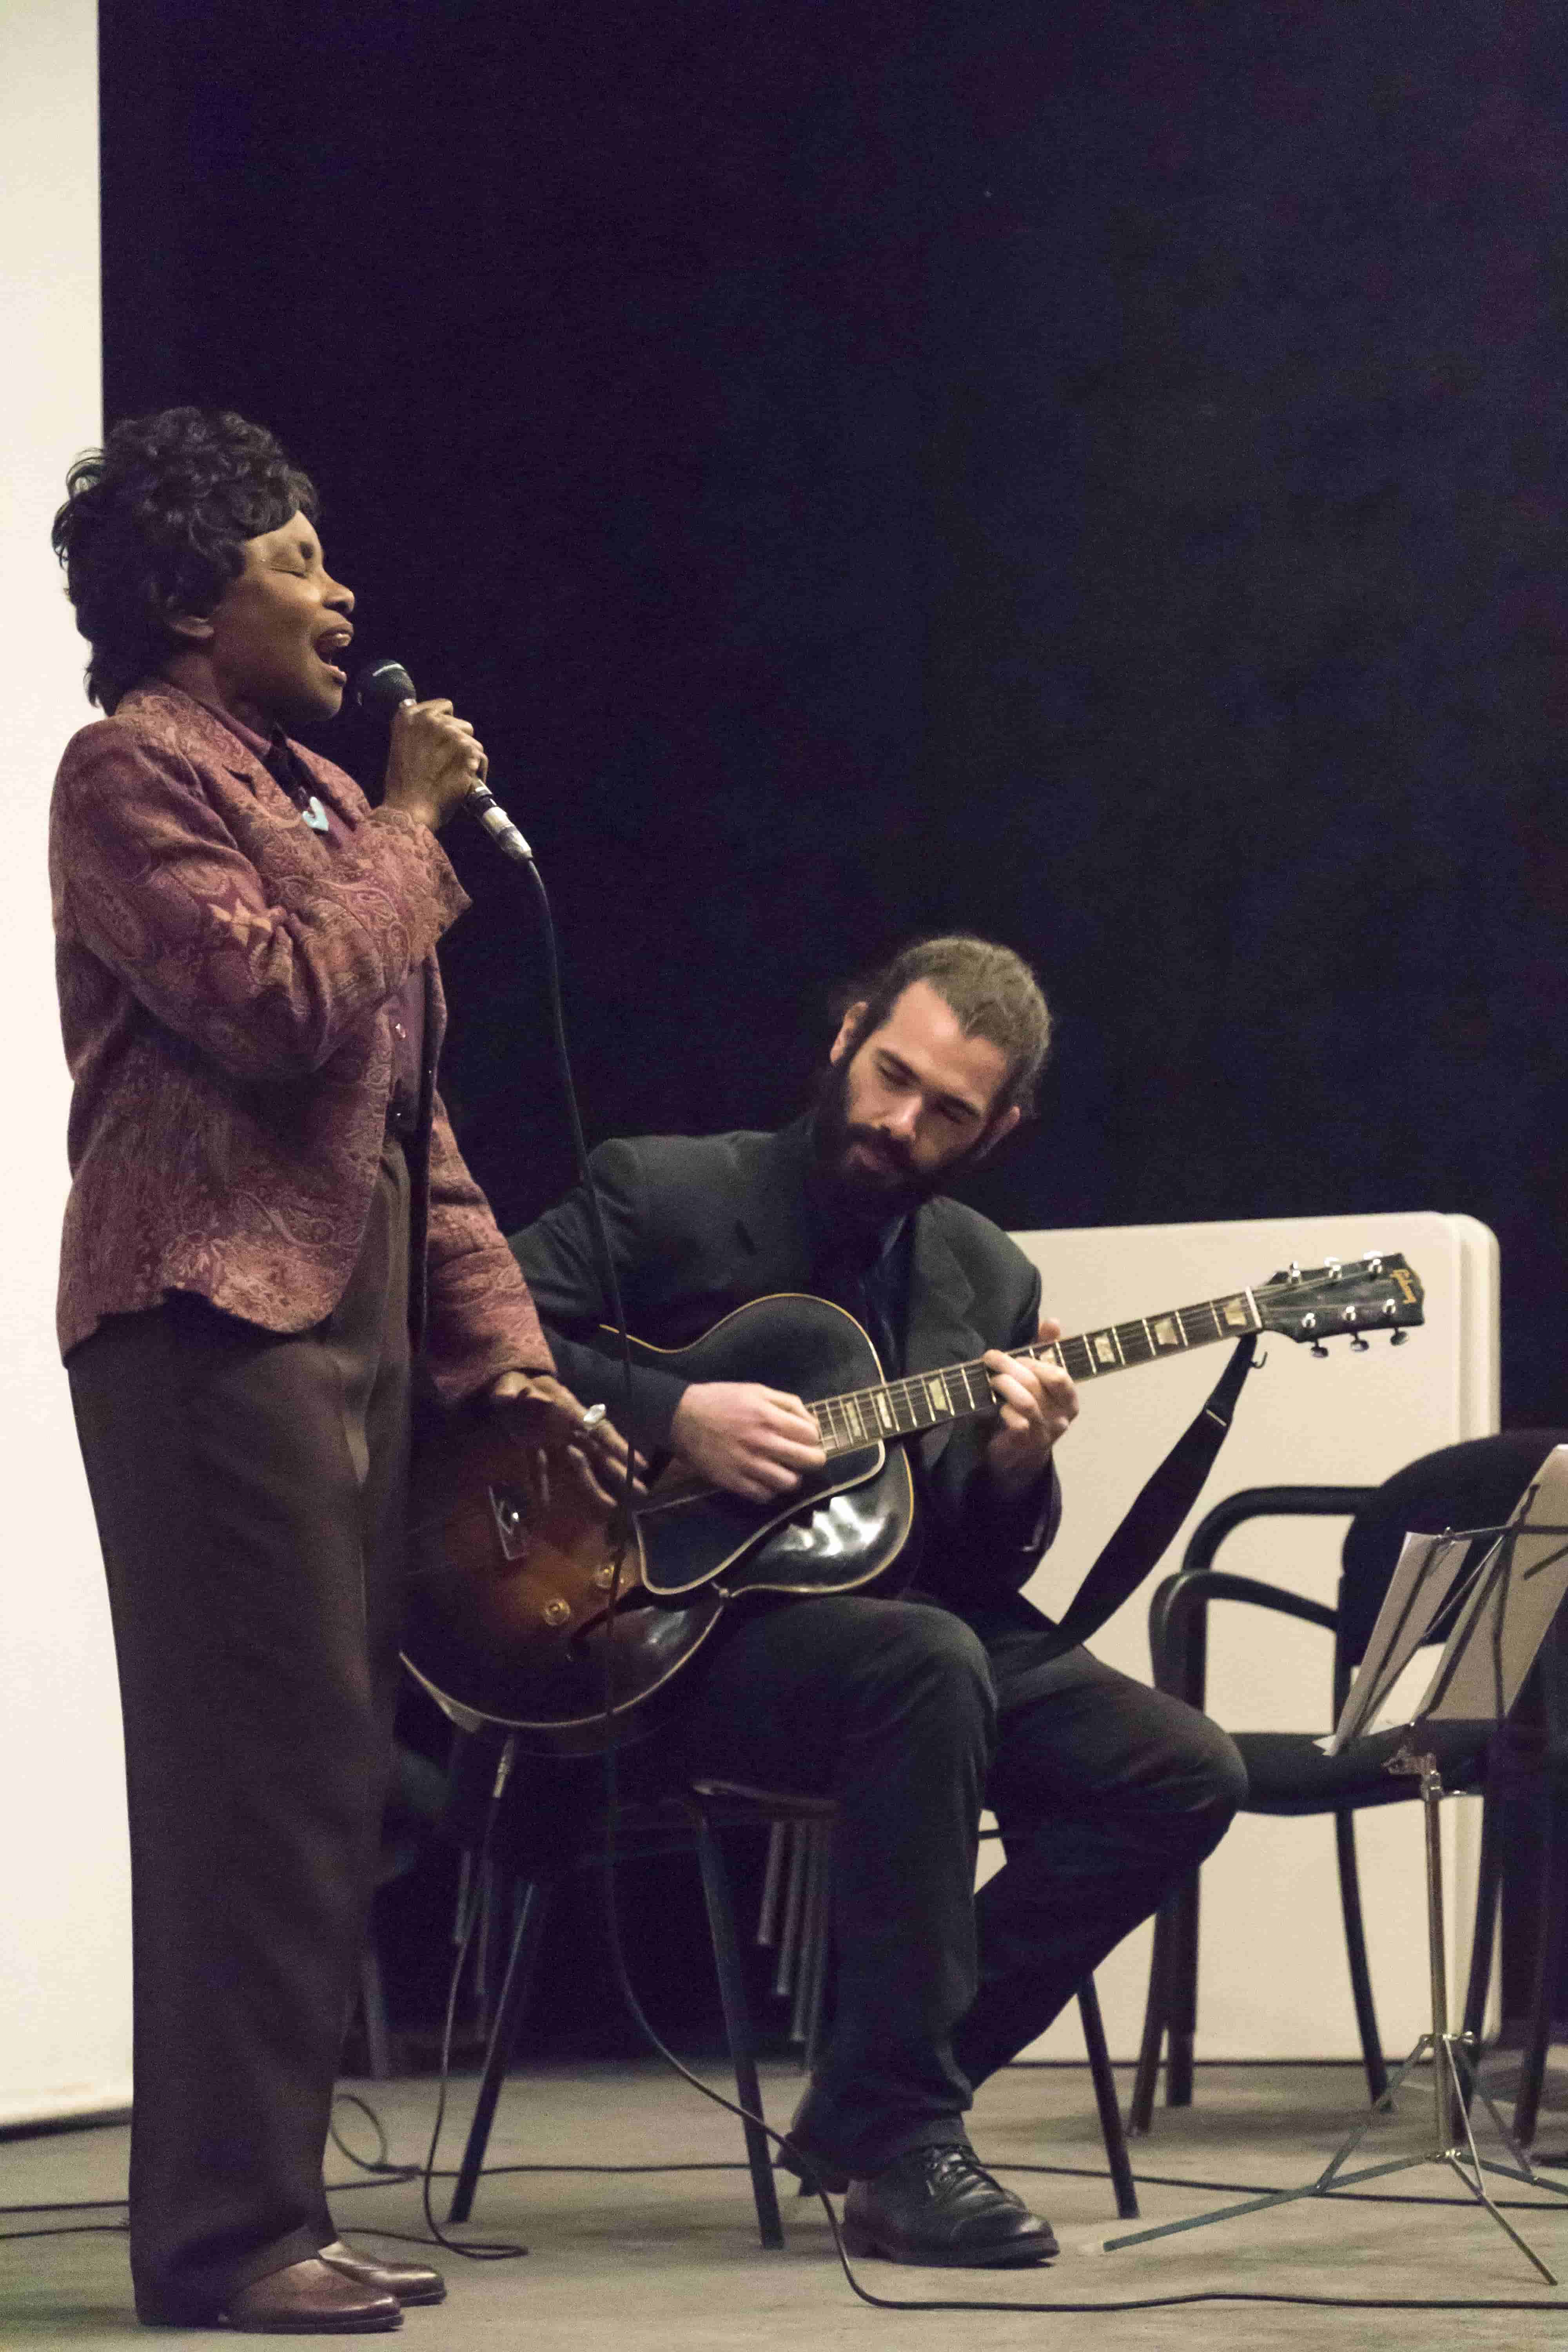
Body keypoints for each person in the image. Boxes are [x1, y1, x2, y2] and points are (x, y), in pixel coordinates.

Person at [49, 408, 621, 2334]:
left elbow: (409, 1124)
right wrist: (408, 821)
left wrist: (512, 1364)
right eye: (300, 557)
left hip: (352, 1318)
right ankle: (221, 2242)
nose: (340, 588)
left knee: (329, 1781)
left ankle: (269, 2209)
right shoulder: (131, 768)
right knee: (255, 1787)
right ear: (198, 593)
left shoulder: (310, 794)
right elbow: (275, 1008)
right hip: (206, 1321)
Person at [511, 935, 1247, 2267]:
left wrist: (1019, 1470)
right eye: (892, 1075)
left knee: (1180, 1768)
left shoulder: (986, 1276)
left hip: (902, 1634)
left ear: (1001, 1127)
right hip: (667, 1636)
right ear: (847, 1033)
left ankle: (869, 2099)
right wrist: (673, 1407)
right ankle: (908, 2149)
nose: (901, 1122)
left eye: (949, 1111)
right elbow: (470, 1329)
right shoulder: (666, 1191)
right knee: (925, 1664)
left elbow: (969, 1559)